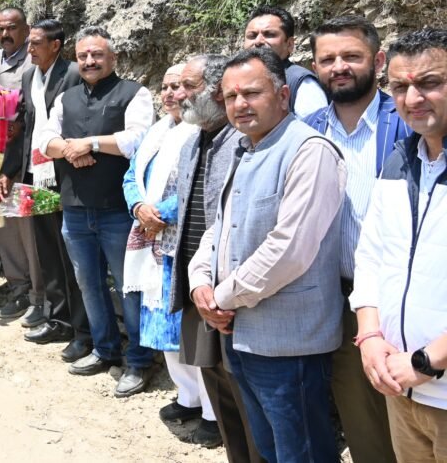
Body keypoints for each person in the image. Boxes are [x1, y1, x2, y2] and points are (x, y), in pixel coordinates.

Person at [189, 47, 346, 463]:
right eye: (231, 96)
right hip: (240, 335)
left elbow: (289, 249)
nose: (240, 104)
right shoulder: (245, 149)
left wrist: (221, 297)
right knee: (270, 451)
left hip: (289, 344)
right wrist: (199, 280)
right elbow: (219, 227)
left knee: (301, 453)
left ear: (283, 95)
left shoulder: (309, 151)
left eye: (252, 93)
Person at [305, 16, 407, 463]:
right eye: (327, 59)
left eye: (351, 56)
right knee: (361, 418)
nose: (339, 67)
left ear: (378, 61)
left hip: (401, 297)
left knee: (415, 416)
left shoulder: (406, 121)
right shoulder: (306, 129)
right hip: (336, 298)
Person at [35, 26, 155, 394]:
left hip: (119, 211)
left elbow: (137, 139)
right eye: (83, 55)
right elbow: (45, 140)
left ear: (113, 58)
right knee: (89, 284)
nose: (90, 61)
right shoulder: (66, 98)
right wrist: (72, 150)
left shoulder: (134, 93)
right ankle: (105, 350)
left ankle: (139, 361)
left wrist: (89, 144)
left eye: (97, 55)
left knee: (129, 287)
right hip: (74, 209)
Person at [352, 27, 447, 462]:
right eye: (400, 87)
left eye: (430, 83)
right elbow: (371, 256)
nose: (413, 99)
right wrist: (370, 336)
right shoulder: (400, 159)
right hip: (401, 388)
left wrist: (428, 361)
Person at [170, 54, 256, 457]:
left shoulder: (242, 143)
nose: (180, 95)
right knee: (217, 386)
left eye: (190, 86)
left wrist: (224, 290)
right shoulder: (193, 141)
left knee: (243, 392)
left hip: (231, 294)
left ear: (219, 91)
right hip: (197, 287)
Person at [122, 65, 214, 431]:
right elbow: (131, 174)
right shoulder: (157, 132)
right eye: (166, 86)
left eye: (180, 86)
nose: (171, 93)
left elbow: (200, 185)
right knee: (163, 328)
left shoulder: (202, 132)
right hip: (151, 240)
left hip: (184, 243)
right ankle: (187, 396)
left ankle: (212, 410)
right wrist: (138, 207)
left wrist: (160, 213)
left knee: (190, 331)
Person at [0, 18, 92, 363]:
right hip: (35, 174)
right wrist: (10, 170)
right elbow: (25, 127)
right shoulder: (28, 76)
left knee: (69, 253)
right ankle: (57, 318)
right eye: (29, 43)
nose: (30, 49)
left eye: (36, 43)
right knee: (46, 249)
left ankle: (81, 326)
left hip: (64, 174)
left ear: (56, 45)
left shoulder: (72, 74)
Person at [0, 7, 44, 326]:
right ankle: (19, 288)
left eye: (12, 28)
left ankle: (38, 296)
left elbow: (30, 119)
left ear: (26, 29)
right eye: (1, 29)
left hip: (21, 162)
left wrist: (9, 167)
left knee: (28, 233)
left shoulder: (32, 64)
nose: (5, 34)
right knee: (6, 231)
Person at [243, 5, 327, 117]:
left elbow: (316, 126)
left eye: (269, 34)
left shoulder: (301, 83)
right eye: (252, 36)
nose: (258, 41)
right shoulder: (238, 80)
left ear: (289, 44)